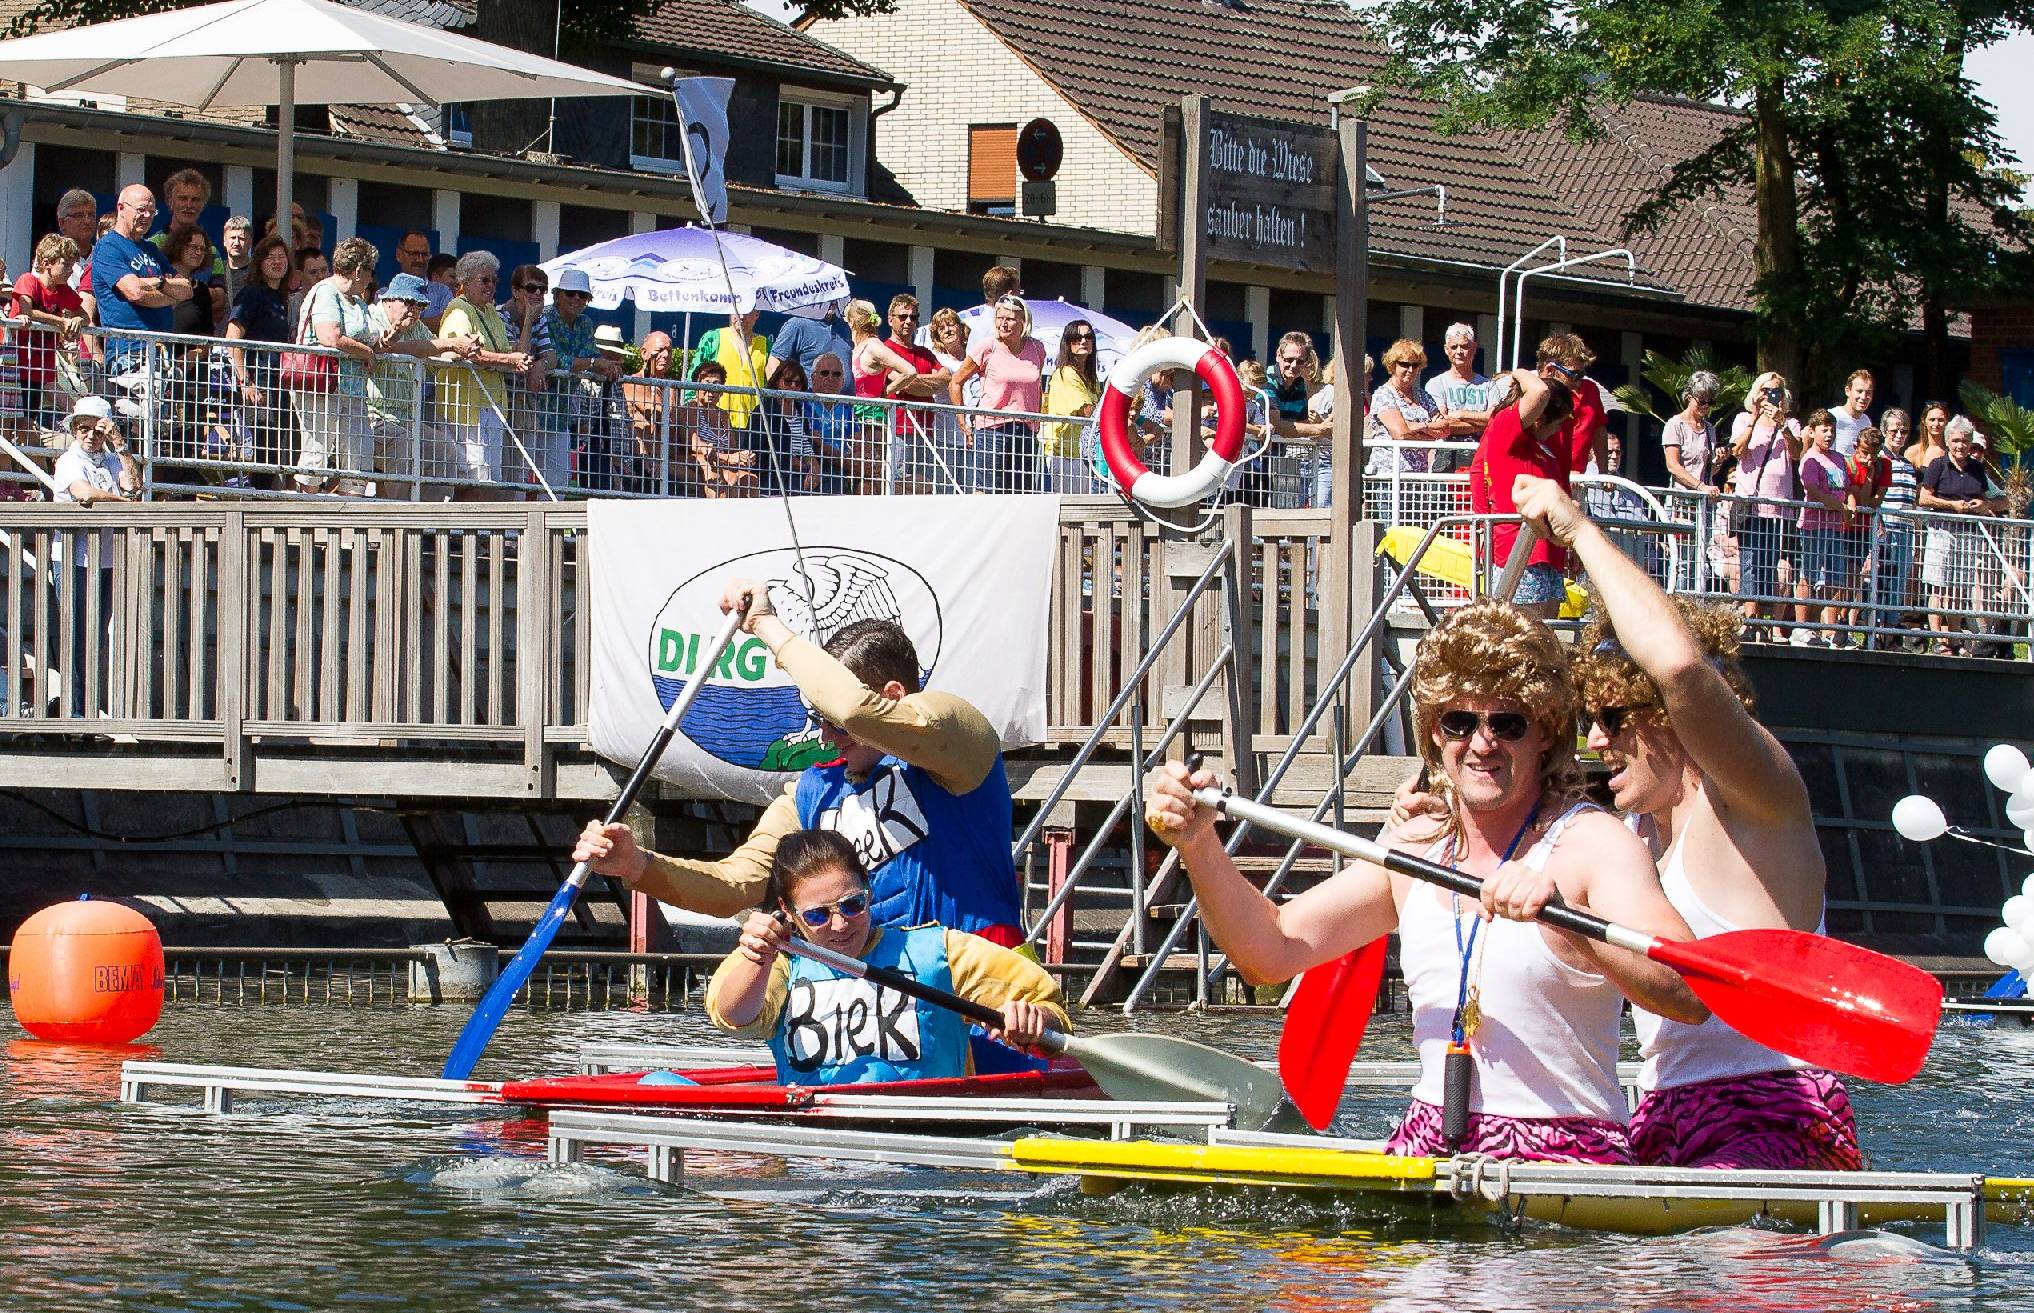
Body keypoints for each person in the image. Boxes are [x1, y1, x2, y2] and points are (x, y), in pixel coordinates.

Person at [1146, 596, 1702, 1164]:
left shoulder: (1593, 844)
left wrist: (1574, 922)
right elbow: (1271, 950)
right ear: (1435, 732)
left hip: (1565, 1156)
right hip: (1426, 1145)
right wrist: (1198, 845)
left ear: (1546, 733)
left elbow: (1691, 992)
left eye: (1507, 723)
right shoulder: (1416, 851)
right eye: (1461, 722)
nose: (1482, 744)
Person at [1511, 473, 1862, 1171]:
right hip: (1660, 1116)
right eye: (1591, 723)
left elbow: (1676, 665)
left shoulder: (1758, 805)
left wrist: (1578, 529)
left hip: (1775, 1114)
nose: (1596, 742)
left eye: (1613, 720)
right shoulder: (1629, 841)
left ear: (1672, 721)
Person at [572, 578, 1027, 947]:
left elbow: (854, 709)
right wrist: (636, 865)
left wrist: (767, 625)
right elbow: (734, 886)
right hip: (886, 1014)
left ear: (892, 697)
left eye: (831, 721)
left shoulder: (959, 740)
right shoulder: (813, 793)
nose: (826, 736)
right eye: (815, 719)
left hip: (988, 1004)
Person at [704, 830, 1065, 1085]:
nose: (840, 924)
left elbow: (1051, 1011)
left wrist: (1034, 1019)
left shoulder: (941, 951)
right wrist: (757, 958)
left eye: (852, 904)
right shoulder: (778, 963)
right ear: (787, 911)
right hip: (817, 1154)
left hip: (928, 1149)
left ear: (869, 890)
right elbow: (733, 1017)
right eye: (817, 915)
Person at [1465, 368, 1577, 618]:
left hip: (1549, 554)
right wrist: (1517, 372)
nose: (1559, 431)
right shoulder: (1504, 429)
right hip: (1517, 553)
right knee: (1521, 636)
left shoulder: (1544, 448)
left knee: (1546, 640)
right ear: (1538, 418)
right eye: (1557, 424)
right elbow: (1540, 391)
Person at [364, 272, 474, 496]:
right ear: (389, 300)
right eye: (409, 302)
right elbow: (405, 347)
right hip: (369, 417)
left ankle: (433, 522)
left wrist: (465, 351)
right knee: (404, 445)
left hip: (405, 420)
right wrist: (451, 343)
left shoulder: (414, 324)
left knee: (444, 449)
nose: (414, 310)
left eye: (421, 305)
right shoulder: (371, 317)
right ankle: (400, 522)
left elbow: (432, 349)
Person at [436, 250, 534, 500]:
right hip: (465, 406)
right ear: (466, 281)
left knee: (489, 477)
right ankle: (460, 534)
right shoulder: (459, 310)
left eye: (494, 280)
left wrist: (529, 320)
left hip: (491, 404)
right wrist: (509, 360)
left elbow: (516, 352)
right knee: (472, 474)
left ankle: (477, 533)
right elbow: (470, 352)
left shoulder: (490, 312)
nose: (491, 286)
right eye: (485, 280)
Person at [291, 236, 380, 496]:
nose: (371, 278)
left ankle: (348, 528)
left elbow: (373, 336)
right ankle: (306, 522)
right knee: (317, 452)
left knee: (358, 456)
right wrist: (366, 352)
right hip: (322, 386)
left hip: (353, 391)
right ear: (358, 270)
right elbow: (329, 336)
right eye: (370, 271)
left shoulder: (359, 301)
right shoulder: (326, 292)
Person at [1918, 415, 2007, 654]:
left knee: (1959, 587)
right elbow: (1924, 498)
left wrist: (1984, 505)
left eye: (1965, 441)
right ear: (1948, 441)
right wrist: (1953, 506)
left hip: (1968, 534)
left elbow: (2001, 500)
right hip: (1942, 531)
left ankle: (1955, 639)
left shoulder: (1977, 468)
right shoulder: (1938, 465)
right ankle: (1938, 639)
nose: (1961, 446)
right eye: (1956, 440)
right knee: (1939, 587)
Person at [1729, 372, 1802, 640]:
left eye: (1777, 391)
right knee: (1749, 562)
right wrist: (1756, 417)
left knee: (1770, 565)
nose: (1772, 395)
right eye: (1767, 390)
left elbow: (1796, 453)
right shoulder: (1743, 419)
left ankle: (1766, 622)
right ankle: (1750, 621)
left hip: (1778, 505)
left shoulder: (1790, 423)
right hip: (1750, 501)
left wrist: (1781, 422)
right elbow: (1737, 450)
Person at [949, 294, 1047, 493]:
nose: (1004, 323)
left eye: (1010, 319)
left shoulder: (1037, 348)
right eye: (999, 318)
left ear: (1023, 321)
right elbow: (956, 382)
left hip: (1025, 431)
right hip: (992, 429)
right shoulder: (987, 347)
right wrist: (963, 422)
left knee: (1022, 494)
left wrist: (1037, 424)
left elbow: (1037, 387)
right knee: (988, 492)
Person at [91, 185, 191, 377]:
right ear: (121, 208)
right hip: (129, 354)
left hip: (162, 354)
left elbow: (186, 290)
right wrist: (169, 294)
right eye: (141, 210)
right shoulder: (108, 247)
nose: (147, 216)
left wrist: (159, 282)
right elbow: (134, 292)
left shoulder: (152, 249)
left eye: (152, 211)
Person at [538, 267, 616, 495]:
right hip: (531, 408)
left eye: (582, 295)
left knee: (560, 476)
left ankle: (550, 529)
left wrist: (605, 365)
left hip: (560, 414)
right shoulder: (544, 318)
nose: (576, 299)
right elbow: (551, 359)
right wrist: (593, 363)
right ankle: (515, 529)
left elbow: (587, 355)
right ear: (557, 295)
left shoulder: (584, 323)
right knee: (520, 474)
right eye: (571, 293)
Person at [225, 234, 296, 479]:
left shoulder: (282, 299)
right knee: (264, 447)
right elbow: (233, 337)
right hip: (259, 383)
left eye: (281, 257)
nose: (277, 262)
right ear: (259, 263)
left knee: (275, 447)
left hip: (280, 384)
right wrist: (245, 381)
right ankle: (258, 504)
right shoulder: (252, 293)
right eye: (270, 257)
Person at [11, 234, 87, 433]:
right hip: (15, 367)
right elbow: (27, 310)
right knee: (10, 424)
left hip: (40, 370)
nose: (70, 271)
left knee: (27, 427)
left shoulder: (64, 291)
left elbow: (84, 315)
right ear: (46, 263)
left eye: (72, 266)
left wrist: (78, 320)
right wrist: (62, 322)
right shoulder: (28, 281)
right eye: (65, 265)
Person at [847, 298, 921, 493]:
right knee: (859, 476)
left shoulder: (873, 346)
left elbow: (909, 371)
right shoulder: (858, 347)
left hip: (873, 422)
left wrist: (885, 392)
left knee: (872, 476)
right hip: (856, 420)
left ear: (853, 322)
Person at [1791, 410, 1849, 647]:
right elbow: (1813, 490)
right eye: (1824, 430)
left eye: (1832, 430)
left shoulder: (1838, 458)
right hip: (1814, 525)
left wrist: (1848, 507)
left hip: (1835, 527)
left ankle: (1813, 626)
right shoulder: (1810, 459)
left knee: (1835, 579)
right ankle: (1801, 628)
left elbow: (1847, 488)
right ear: (1812, 432)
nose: (1829, 434)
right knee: (1808, 575)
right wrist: (1840, 506)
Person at [1365, 338, 1451, 478]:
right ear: (1393, 366)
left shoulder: (1423, 396)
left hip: (1418, 477)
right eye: (1404, 364)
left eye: (1415, 365)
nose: (1410, 370)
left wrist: (1412, 427)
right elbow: (1400, 434)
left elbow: (1443, 429)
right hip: (1388, 476)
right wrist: (1427, 428)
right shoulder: (1384, 394)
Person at [1873, 408, 1921, 647]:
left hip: (1905, 531)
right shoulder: (1879, 461)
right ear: (1884, 432)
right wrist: (1879, 526)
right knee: (1880, 580)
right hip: (1884, 530)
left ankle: (1891, 633)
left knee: (1898, 583)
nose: (1899, 435)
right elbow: (1874, 498)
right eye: (1894, 430)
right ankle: (1879, 634)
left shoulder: (1908, 465)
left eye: (1903, 431)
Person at [1841, 425, 1891, 643]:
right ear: (1855, 447)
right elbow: (1858, 499)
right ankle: (1837, 623)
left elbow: (1874, 502)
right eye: (1863, 452)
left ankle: (1845, 626)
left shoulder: (1883, 466)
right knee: (1843, 577)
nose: (1867, 457)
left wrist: (1870, 474)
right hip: (1844, 529)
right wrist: (1867, 479)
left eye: (1873, 453)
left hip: (1863, 530)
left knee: (1855, 577)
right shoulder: (1846, 464)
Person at [1536, 333, 1609, 475]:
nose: (1578, 382)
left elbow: (1599, 430)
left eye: (1581, 375)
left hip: (1577, 479)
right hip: (1540, 475)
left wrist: (1604, 471)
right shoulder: (1533, 392)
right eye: (1574, 374)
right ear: (1551, 369)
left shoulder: (1590, 390)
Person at [1425, 322, 1493, 474]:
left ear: (1474, 348)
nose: (1459, 351)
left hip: (1482, 458)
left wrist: (1460, 414)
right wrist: (1481, 423)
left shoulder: (1489, 385)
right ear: (1446, 350)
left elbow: (1494, 420)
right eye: (1454, 347)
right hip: (1446, 459)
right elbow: (1442, 424)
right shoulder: (1436, 384)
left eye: (1464, 346)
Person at [1043, 319, 1101, 493]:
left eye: (1088, 337)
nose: (1084, 341)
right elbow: (1088, 411)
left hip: (1085, 454)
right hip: (1065, 454)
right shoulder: (1066, 373)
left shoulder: (1093, 379)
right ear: (1067, 343)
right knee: (1070, 513)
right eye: (1077, 337)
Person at [623, 330, 681, 494]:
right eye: (660, 349)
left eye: (669, 351)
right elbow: (657, 412)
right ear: (644, 353)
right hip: (639, 457)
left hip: (664, 459)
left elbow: (672, 424)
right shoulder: (631, 383)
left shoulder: (670, 389)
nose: (665, 355)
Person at [692, 307, 768, 431]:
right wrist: (692, 416)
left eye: (747, 311)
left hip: (755, 426)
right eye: (737, 310)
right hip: (716, 422)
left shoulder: (766, 345)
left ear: (757, 314)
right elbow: (693, 380)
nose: (741, 316)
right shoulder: (712, 339)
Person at [684, 359, 752, 497]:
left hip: (723, 461)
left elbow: (732, 449)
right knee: (727, 478)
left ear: (721, 391)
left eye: (716, 385)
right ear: (697, 387)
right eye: (707, 384)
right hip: (702, 460)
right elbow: (695, 444)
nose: (711, 390)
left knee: (750, 479)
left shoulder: (723, 415)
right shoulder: (691, 408)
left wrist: (744, 456)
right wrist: (728, 458)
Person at [752, 358, 819, 494]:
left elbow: (806, 447)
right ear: (777, 382)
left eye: (798, 383)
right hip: (772, 476)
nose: (793, 386)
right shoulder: (764, 412)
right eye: (788, 381)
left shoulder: (800, 413)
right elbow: (762, 451)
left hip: (799, 473)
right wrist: (804, 468)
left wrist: (814, 467)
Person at [802, 352, 860, 494]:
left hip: (846, 465)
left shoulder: (845, 407)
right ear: (813, 377)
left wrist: (860, 457)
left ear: (842, 380)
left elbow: (857, 437)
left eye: (836, 374)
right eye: (824, 373)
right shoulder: (804, 403)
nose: (830, 378)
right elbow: (816, 442)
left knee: (871, 483)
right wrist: (849, 463)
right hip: (819, 462)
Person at [767, 305, 855, 393]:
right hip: (806, 404)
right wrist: (780, 400)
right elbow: (772, 365)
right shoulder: (797, 325)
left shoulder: (845, 328)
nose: (833, 302)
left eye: (836, 298)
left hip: (844, 405)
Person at [1661, 371, 1721, 497]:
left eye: (1710, 402)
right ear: (1689, 397)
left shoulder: (1710, 429)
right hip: (1681, 502)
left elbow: (1708, 470)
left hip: (1704, 503)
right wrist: (1700, 486)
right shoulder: (1675, 425)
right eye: (1701, 402)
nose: (1706, 406)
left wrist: (1719, 461)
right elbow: (1672, 465)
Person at [394, 231, 453, 328]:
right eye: (414, 254)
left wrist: (405, 324)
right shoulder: (384, 294)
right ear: (399, 255)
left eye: (425, 254)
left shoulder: (442, 292)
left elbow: (447, 323)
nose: (420, 260)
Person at [1828, 369, 1874, 459]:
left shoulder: (1866, 421)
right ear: (1847, 391)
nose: (1864, 397)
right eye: (1859, 391)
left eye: (1868, 392)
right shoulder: (1833, 416)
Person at [217, 216, 253, 327]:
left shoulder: (258, 271)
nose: (236, 243)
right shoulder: (217, 270)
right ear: (224, 241)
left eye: (241, 238)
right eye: (232, 238)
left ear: (250, 242)